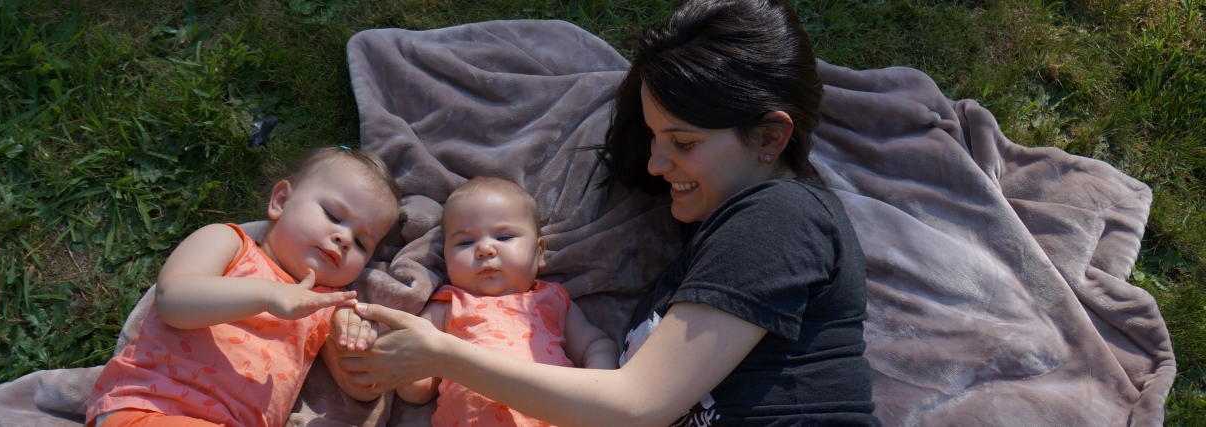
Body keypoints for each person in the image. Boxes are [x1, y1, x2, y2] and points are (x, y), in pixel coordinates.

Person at [331, 1, 881, 426]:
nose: (657, 161)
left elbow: (636, 407)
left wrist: (444, 356)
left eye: (683, 142)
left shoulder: (780, 218)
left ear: (771, 135)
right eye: (655, 136)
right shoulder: (723, 234)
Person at [85, 146, 402, 427]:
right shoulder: (230, 244)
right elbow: (171, 299)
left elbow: (359, 388)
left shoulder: (325, 305)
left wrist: (354, 343)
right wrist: (267, 294)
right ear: (281, 201)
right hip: (151, 407)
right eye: (333, 215)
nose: (344, 238)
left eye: (361, 242)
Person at [352, 176, 619, 426]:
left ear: (539, 253)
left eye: (504, 237)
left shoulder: (552, 299)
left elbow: (595, 343)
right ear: (445, 258)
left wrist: (598, 379)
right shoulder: (447, 304)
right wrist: (408, 378)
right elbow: (418, 387)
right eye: (466, 242)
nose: (485, 249)